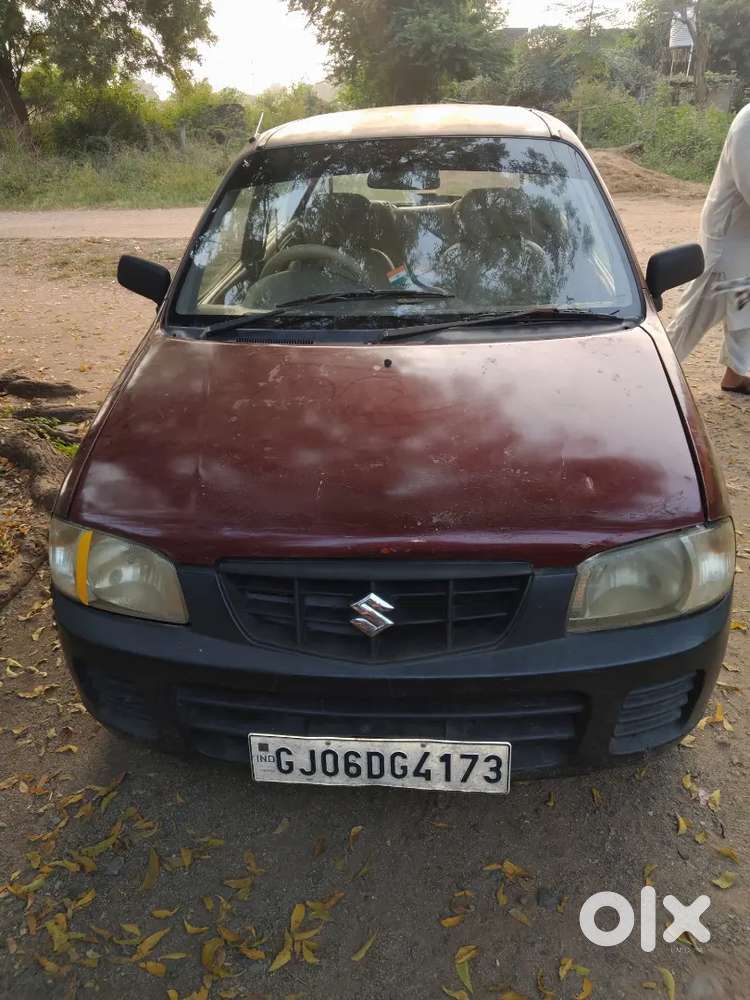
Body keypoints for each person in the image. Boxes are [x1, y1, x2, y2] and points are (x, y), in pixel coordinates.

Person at [668, 102, 750, 393]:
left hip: (747, 236)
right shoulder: (748, 122)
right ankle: (656, 370)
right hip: (726, 237)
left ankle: (736, 373)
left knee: (745, 303)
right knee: (699, 309)